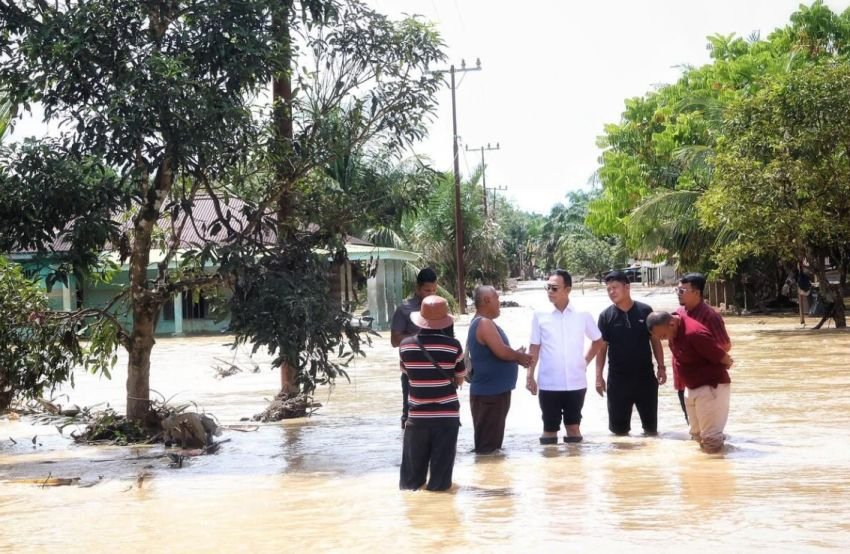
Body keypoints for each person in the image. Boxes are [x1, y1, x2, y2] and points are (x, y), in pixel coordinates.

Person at [527, 269, 604, 444]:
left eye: (554, 288)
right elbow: (535, 347)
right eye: (547, 288)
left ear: (567, 290)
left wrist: (584, 362)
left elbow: (598, 341)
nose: (549, 292)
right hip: (549, 384)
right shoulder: (539, 314)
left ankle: (575, 468)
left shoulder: (582, 314)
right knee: (549, 429)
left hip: (576, 383)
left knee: (573, 428)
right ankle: (551, 468)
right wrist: (529, 375)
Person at [399, 295, 465, 491]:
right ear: (445, 320)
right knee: (441, 484)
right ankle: (440, 515)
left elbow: (407, 374)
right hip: (446, 418)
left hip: (417, 418)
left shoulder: (406, 345)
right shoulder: (454, 346)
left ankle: (416, 516)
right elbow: (460, 378)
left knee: (410, 483)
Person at [647, 311, 733, 453]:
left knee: (711, 440)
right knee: (697, 436)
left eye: (663, 336)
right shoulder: (675, 323)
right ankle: (704, 472)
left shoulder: (694, 334)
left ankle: (716, 470)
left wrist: (725, 364)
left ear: (672, 324)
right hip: (692, 387)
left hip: (711, 387)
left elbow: (724, 358)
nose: (663, 340)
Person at [595, 271, 667, 436]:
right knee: (619, 435)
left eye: (615, 287)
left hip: (646, 379)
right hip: (618, 381)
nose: (611, 292)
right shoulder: (606, 316)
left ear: (627, 287)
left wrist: (661, 367)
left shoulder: (645, 310)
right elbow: (601, 349)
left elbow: (655, 340)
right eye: (608, 289)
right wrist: (599, 377)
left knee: (651, 431)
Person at [467, 285, 533, 454]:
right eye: (497, 298)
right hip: (490, 396)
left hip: (493, 394)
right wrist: (520, 357)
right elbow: (502, 352)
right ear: (487, 300)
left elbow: (499, 353)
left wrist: (515, 356)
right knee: (488, 450)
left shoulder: (484, 322)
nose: (499, 302)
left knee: (492, 448)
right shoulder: (483, 323)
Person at [672, 273, 731, 424]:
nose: (678, 294)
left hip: (704, 382)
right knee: (693, 426)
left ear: (697, 293)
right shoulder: (679, 313)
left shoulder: (710, 316)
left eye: (682, 291)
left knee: (709, 428)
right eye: (677, 290)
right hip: (682, 380)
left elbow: (724, 346)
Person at [391, 267, 439, 428]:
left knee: (437, 414)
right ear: (417, 289)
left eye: (434, 290)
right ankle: (407, 449)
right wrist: (421, 337)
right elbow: (395, 340)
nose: (431, 294)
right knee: (410, 414)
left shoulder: (440, 308)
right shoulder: (404, 309)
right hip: (412, 370)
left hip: (437, 370)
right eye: (427, 290)